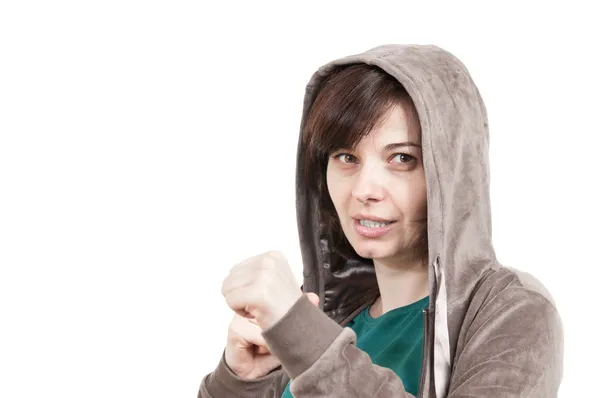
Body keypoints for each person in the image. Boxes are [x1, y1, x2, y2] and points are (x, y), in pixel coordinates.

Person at [198, 44, 564, 397]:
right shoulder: (330, 322)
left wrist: (304, 336)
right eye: (346, 157)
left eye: (402, 159)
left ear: (452, 172)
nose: (364, 189)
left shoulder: (514, 312)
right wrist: (240, 382)